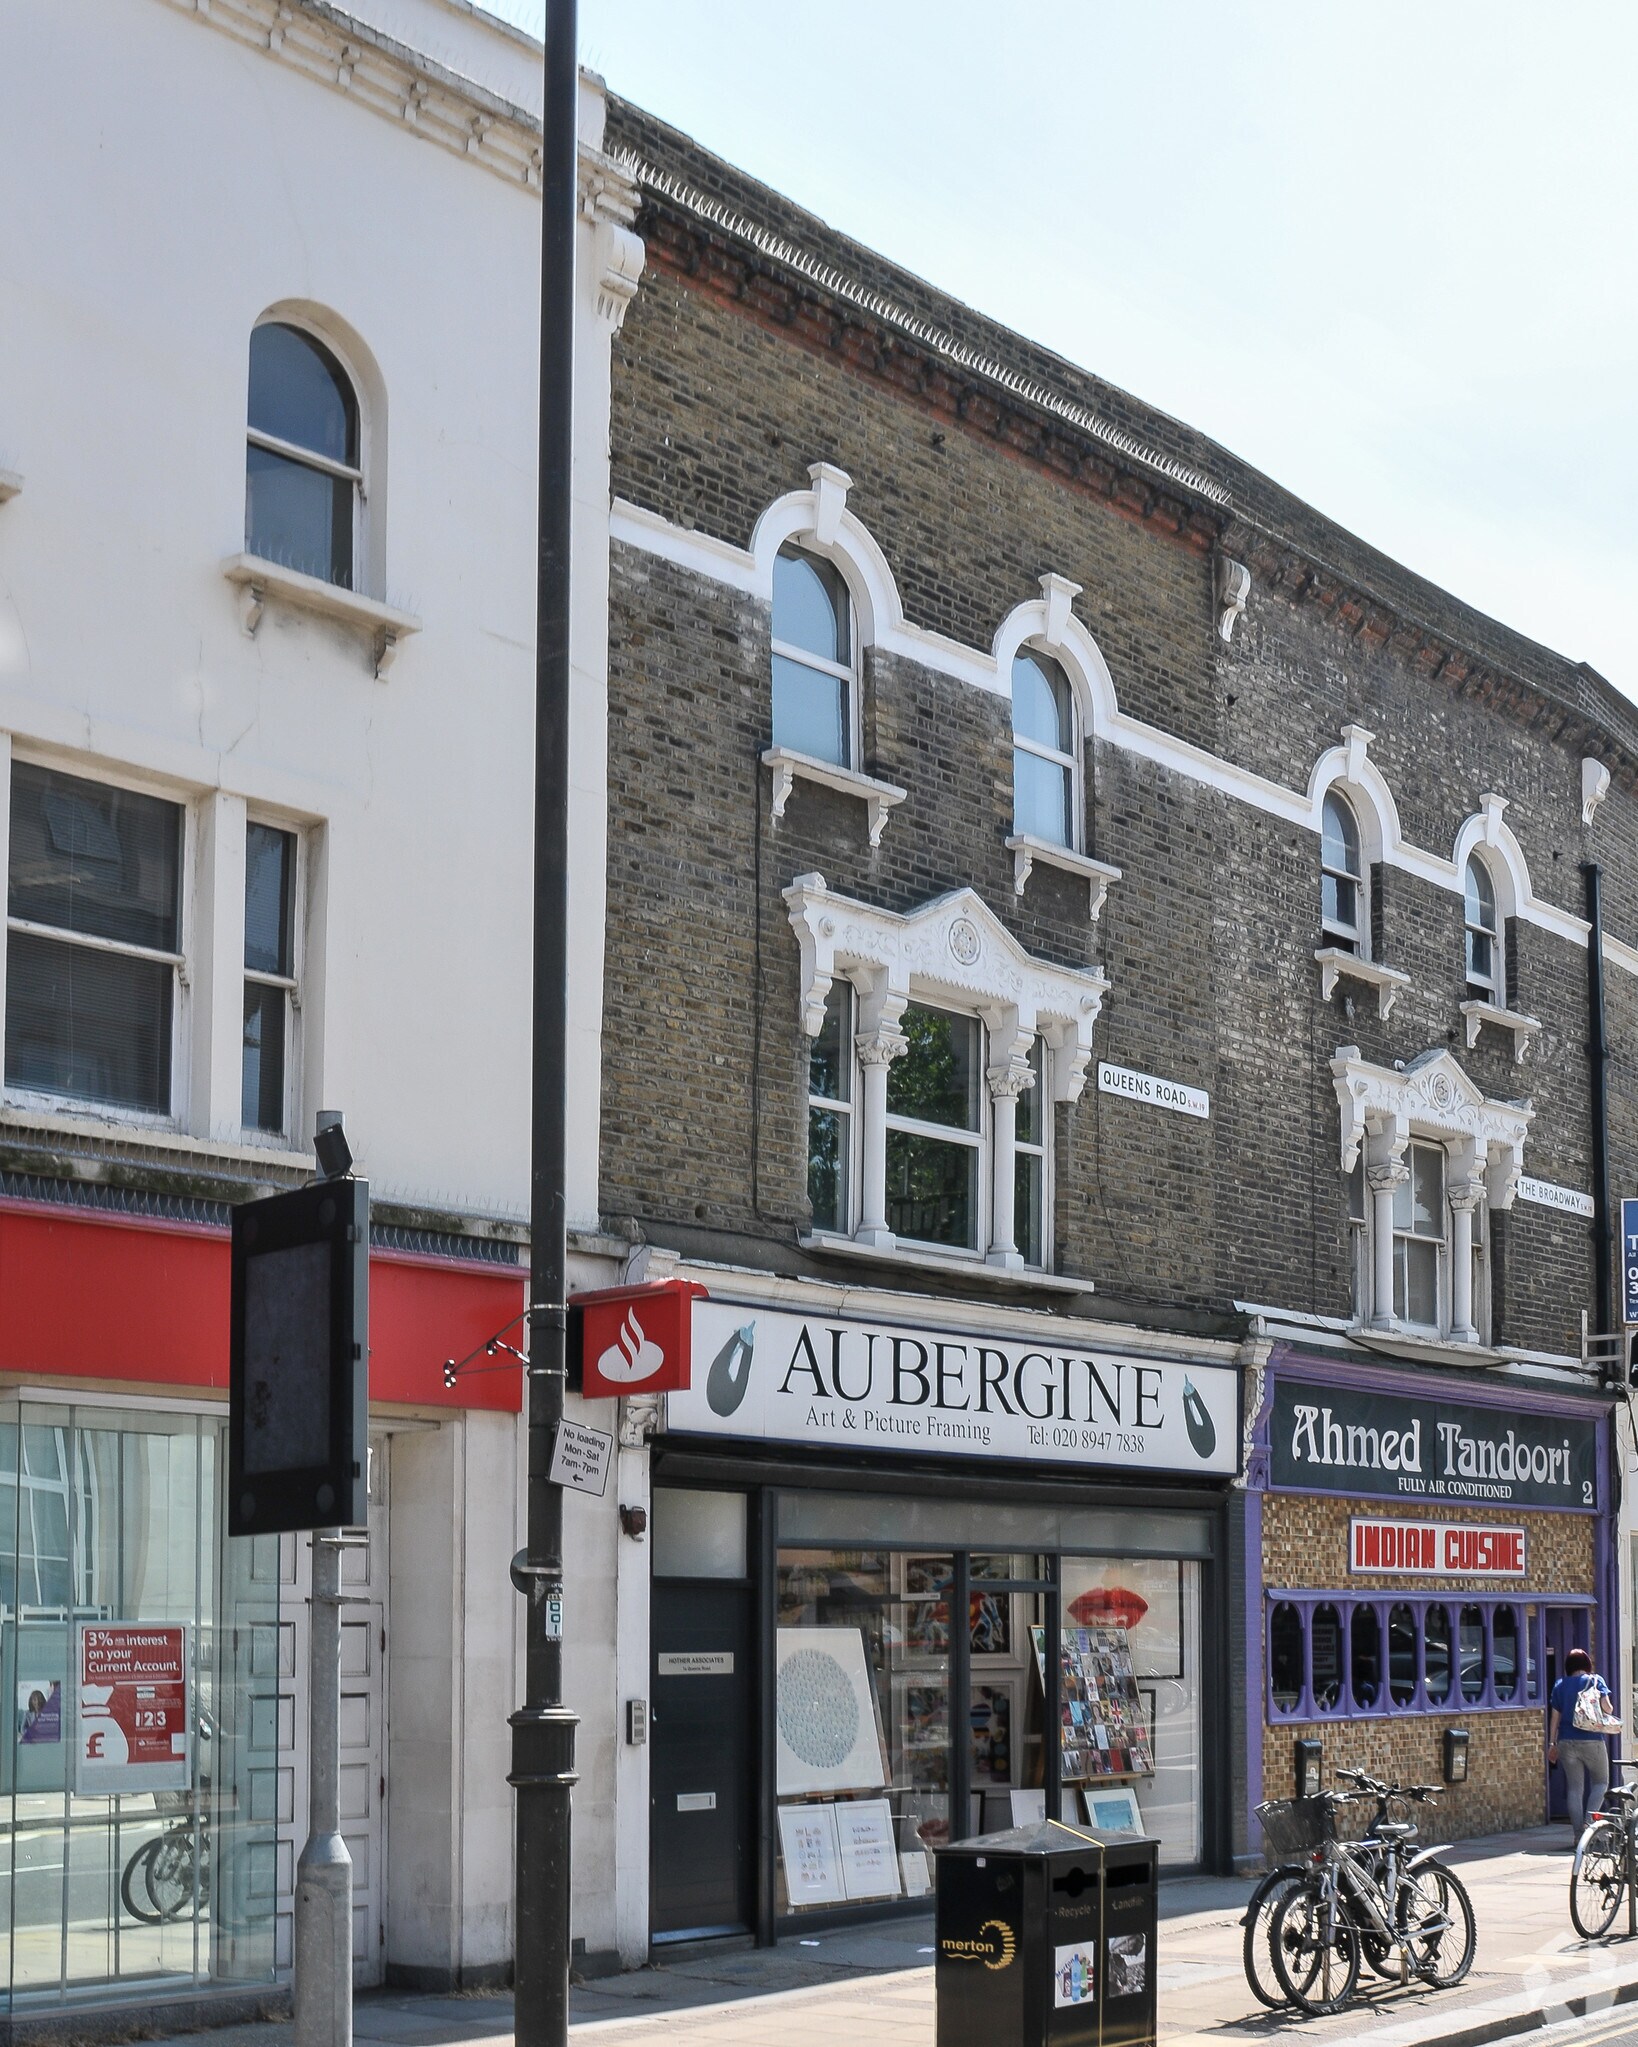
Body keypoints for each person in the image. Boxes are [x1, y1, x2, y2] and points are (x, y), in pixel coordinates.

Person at [1548, 1647, 1618, 1839]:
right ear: (1586, 1665)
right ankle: (1590, 1823)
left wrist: (1552, 1744)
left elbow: (1555, 1717)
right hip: (1592, 1740)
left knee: (1574, 1788)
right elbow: (1607, 1709)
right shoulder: (1595, 1680)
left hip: (1566, 1742)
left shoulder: (1560, 1685)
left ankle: (1579, 1836)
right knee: (1601, 1782)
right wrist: (1607, 1706)